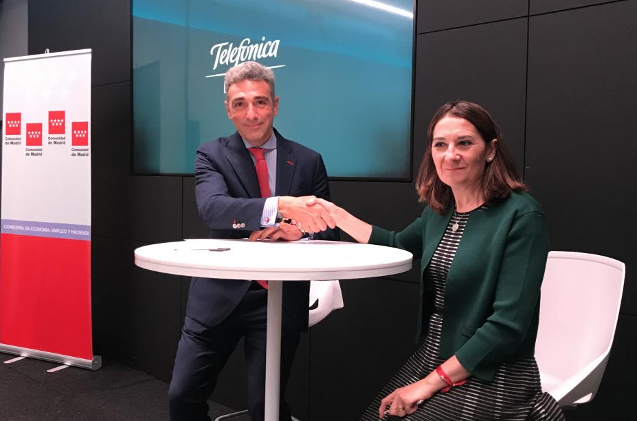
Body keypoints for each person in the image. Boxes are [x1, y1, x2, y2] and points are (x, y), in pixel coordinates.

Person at [312, 101, 565, 420]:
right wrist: (332, 215)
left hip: (492, 370)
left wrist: (429, 384)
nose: (451, 154)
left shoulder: (521, 215)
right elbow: (396, 243)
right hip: (434, 355)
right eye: (440, 144)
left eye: (464, 143)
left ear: (490, 150)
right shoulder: (440, 210)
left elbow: (507, 327)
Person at [168, 61, 338, 421]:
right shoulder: (211, 154)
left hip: (278, 297)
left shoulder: (308, 161)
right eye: (240, 103)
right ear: (227, 109)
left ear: (276, 104)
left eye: (260, 102)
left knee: (267, 408)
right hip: (218, 295)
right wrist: (279, 207)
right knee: (182, 397)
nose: (251, 114)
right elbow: (213, 210)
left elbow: (330, 230)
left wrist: (301, 232)